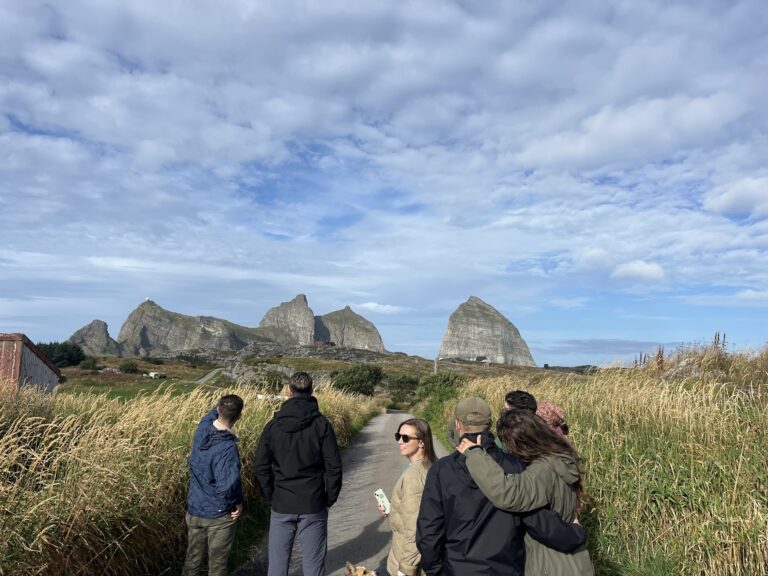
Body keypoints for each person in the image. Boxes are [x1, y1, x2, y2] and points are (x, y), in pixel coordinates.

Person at [417, 397, 587, 576]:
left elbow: (429, 529)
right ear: (490, 425)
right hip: (507, 568)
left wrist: (435, 570)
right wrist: (575, 534)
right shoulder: (517, 465)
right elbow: (539, 522)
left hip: (457, 569)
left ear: (458, 425)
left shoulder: (441, 470)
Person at [459, 408, 594, 575]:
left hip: (550, 565)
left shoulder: (541, 472)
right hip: (577, 562)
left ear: (518, 444)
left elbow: (509, 493)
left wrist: (475, 455)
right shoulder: (561, 458)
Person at [253, 372, 342, 576]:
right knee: (313, 566)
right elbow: (334, 466)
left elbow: (260, 465)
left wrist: (271, 495)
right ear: (311, 391)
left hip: (282, 502)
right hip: (313, 503)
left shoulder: (273, 426)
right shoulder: (321, 425)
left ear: (289, 391)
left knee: (277, 566)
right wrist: (329, 498)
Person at [183, 394, 245, 576]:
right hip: (218, 516)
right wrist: (238, 502)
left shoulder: (202, 431)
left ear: (218, 410)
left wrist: (220, 406)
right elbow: (227, 485)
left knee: (192, 561)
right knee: (217, 566)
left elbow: (211, 414)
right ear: (239, 416)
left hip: (195, 509)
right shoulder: (227, 448)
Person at [378, 418, 437, 576]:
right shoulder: (430, 466)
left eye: (405, 438)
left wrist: (405, 570)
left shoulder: (413, 477)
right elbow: (419, 512)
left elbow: (415, 529)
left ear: (421, 442)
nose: (400, 441)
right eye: (398, 436)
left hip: (408, 561)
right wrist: (394, 508)